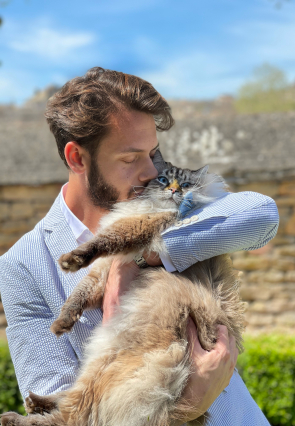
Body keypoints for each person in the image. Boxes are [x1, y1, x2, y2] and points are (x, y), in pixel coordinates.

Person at [0, 67, 278, 425]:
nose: (150, 172)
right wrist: (190, 403)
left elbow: (261, 215)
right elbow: (64, 413)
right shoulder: (22, 267)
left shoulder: (168, 201)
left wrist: (147, 252)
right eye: (130, 159)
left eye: (153, 152)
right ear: (77, 158)